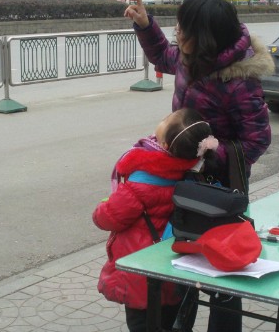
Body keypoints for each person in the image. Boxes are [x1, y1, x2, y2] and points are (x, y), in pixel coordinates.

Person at [124, 0, 274, 332]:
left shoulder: (239, 81)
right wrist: (145, 25)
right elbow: (162, 56)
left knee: (224, 275)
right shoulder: (190, 57)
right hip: (184, 181)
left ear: (205, 37)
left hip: (221, 191)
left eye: (183, 27)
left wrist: (207, 151)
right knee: (184, 261)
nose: (177, 31)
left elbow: (257, 140)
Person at [93, 108, 219, 332]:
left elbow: (107, 218)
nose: (162, 119)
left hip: (142, 273)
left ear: (165, 144)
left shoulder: (140, 182)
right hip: (176, 270)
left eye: (166, 120)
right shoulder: (195, 176)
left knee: (143, 324)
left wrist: (104, 205)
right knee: (175, 323)